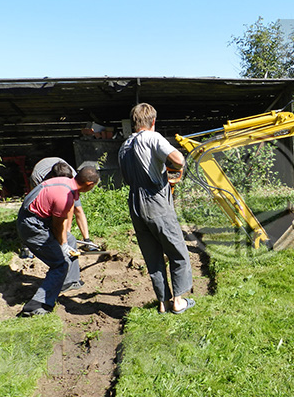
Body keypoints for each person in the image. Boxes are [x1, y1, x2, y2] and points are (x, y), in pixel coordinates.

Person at [118, 102, 194, 314]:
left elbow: (127, 179)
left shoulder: (124, 146)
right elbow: (178, 160)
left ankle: (163, 302)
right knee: (177, 251)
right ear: (153, 121)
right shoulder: (152, 137)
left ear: (134, 123)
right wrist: (171, 168)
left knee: (153, 256)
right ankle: (178, 302)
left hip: (135, 203)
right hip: (155, 203)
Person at [16, 166, 100, 316]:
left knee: (71, 239)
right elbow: (57, 225)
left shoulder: (66, 183)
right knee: (60, 263)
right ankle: (38, 304)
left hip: (36, 220)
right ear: (89, 184)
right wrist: (62, 245)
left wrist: (66, 242)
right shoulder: (65, 196)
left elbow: (63, 220)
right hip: (32, 227)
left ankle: (69, 281)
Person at [28, 157, 97, 251]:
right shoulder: (39, 178)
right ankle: (28, 243)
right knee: (44, 214)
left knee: (74, 208)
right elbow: (57, 220)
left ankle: (87, 242)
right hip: (40, 179)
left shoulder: (76, 178)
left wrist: (66, 234)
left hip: (64, 173)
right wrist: (62, 240)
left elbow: (72, 209)